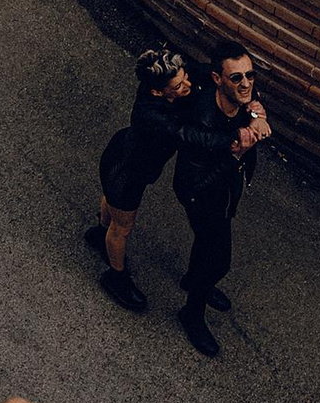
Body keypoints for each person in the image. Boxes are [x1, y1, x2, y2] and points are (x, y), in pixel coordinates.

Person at [87, 46, 229, 312]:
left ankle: (100, 232)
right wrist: (231, 141)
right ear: (157, 91)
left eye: (185, 76)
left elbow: (207, 73)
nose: (188, 83)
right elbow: (188, 134)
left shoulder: (176, 79)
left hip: (125, 155)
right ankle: (116, 277)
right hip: (126, 171)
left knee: (113, 208)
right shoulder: (150, 114)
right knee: (122, 227)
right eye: (178, 85)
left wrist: (253, 106)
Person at [172, 41, 269, 356]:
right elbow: (196, 183)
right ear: (217, 80)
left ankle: (193, 279)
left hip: (225, 193)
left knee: (205, 248)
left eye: (250, 76)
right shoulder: (203, 121)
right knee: (218, 261)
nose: (246, 84)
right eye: (236, 78)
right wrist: (236, 154)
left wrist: (256, 113)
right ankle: (192, 312)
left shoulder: (241, 100)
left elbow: (252, 101)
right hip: (202, 195)